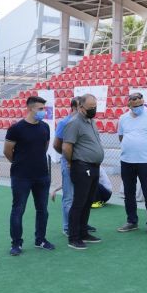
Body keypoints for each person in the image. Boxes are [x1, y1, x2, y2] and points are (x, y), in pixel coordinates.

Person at [4, 96, 55, 256]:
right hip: (21, 177)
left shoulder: (45, 127)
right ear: (30, 108)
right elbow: (7, 151)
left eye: (44, 109)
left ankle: (40, 239)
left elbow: (44, 147)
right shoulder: (16, 128)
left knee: (43, 210)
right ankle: (16, 243)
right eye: (40, 109)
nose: (43, 112)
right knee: (18, 210)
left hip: (42, 176)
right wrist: (20, 163)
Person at [116, 91, 147, 234]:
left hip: (146, 161)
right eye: (135, 105)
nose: (138, 107)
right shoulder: (123, 118)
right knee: (129, 193)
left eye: (140, 105)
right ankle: (132, 221)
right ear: (129, 105)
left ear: (143, 103)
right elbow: (121, 136)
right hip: (127, 161)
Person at [62, 94, 105, 250]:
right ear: (81, 107)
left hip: (94, 166)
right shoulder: (74, 123)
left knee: (88, 201)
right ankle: (74, 237)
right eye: (90, 107)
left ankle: (83, 232)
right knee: (79, 203)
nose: (94, 110)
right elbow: (66, 147)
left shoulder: (91, 121)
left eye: (95, 107)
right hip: (81, 166)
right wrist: (71, 162)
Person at [52, 97, 96, 236]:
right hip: (70, 163)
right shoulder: (65, 123)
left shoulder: (87, 121)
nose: (85, 110)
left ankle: (81, 224)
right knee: (69, 196)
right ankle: (68, 227)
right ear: (74, 108)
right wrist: (69, 159)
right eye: (81, 106)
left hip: (83, 165)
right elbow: (57, 145)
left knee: (82, 196)